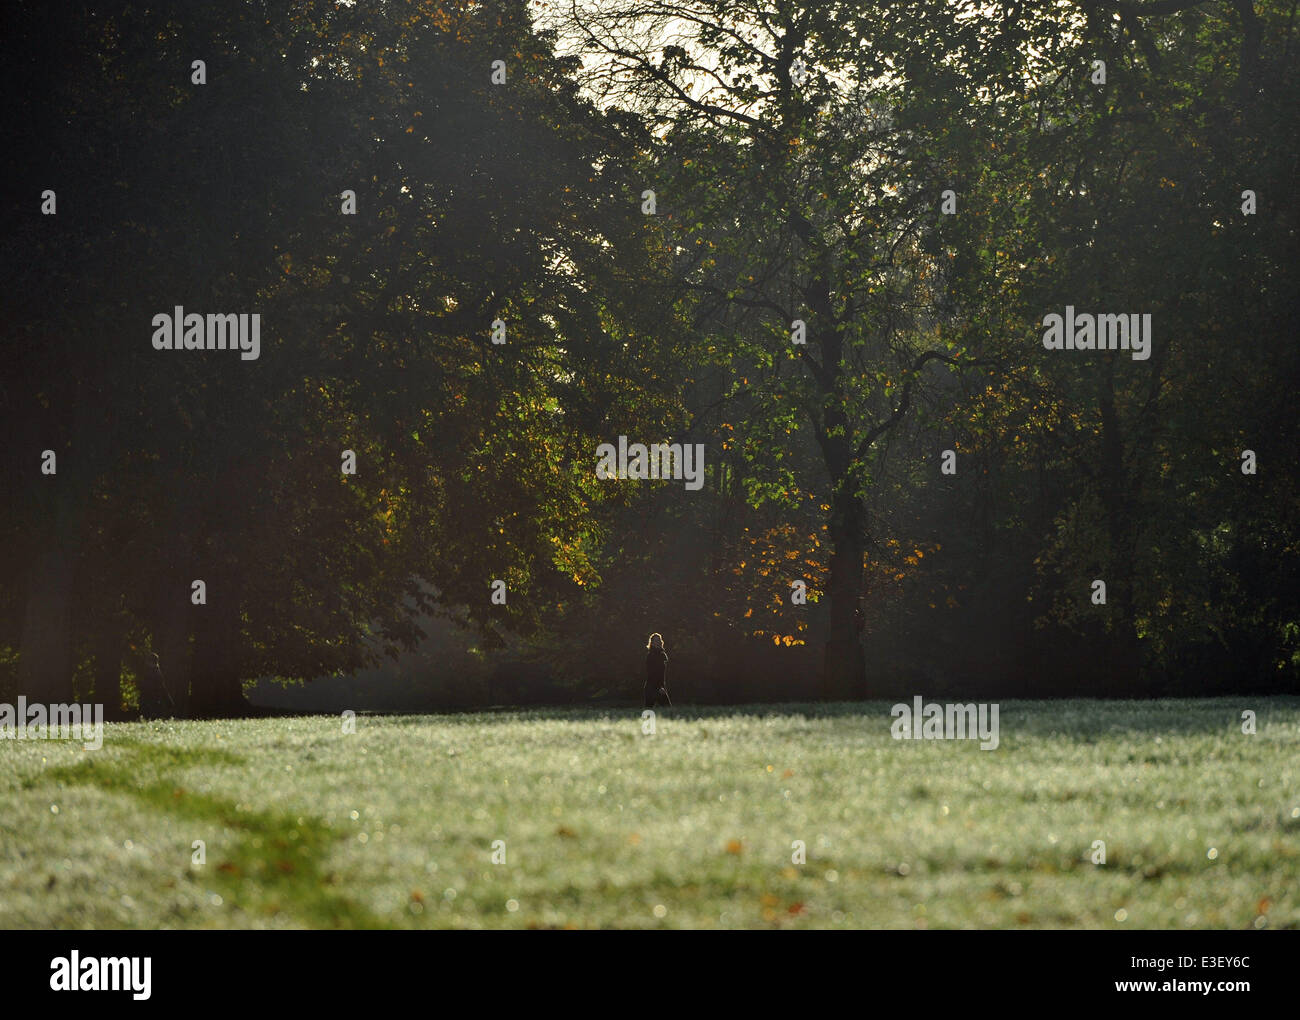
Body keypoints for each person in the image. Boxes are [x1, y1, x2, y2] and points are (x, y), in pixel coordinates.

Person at [644, 633, 671, 708]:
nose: (658, 641)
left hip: (659, 686)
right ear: (652, 643)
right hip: (652, 687)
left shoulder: (662, 654)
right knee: (649, 712)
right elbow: (652, 673)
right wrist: (659, 687)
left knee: (667, 710)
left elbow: (662, 673)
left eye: (659, 640)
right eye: (656, 640)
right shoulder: (651, 655)